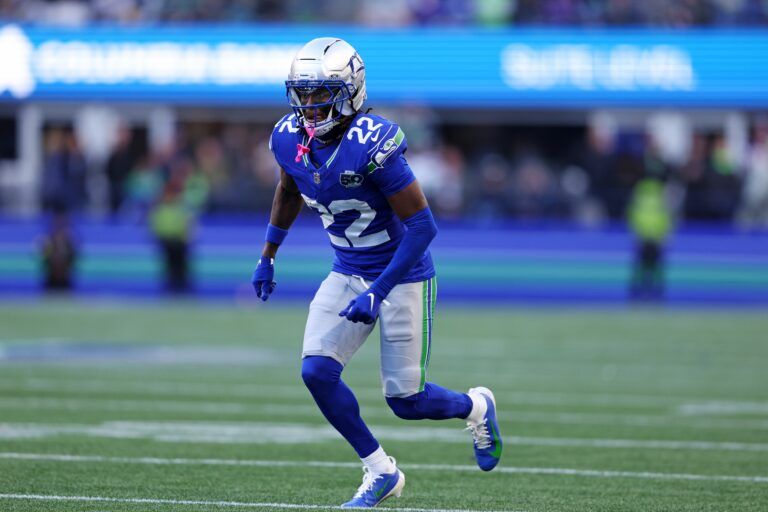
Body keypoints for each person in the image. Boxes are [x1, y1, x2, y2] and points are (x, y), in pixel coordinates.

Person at [252, 38, 503, 508]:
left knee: (407, 402)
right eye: (301, 93)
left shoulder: (374, 142)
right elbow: (288, 190)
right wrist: (268, 254)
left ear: (349, 91)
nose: (307, 105)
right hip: (347, 268)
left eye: (318, 93)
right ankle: (380, 470)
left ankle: (477, 406)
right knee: (316, 371)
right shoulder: (288, 136)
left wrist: (379, 291)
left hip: (402, 274)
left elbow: (423, 227)